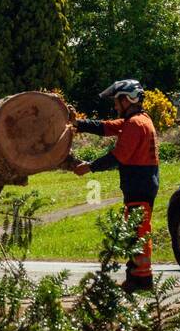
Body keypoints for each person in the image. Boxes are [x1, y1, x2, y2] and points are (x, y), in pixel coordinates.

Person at [68, 80, 160, 293]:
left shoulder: (136, 124)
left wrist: (89, 167)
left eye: (118, 101)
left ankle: (142, 280)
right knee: (136, 230)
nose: (115, 106)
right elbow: (107, 127)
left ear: (128, 99)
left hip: (139, 184)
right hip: (142, 183)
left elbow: (118, 156)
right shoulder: (139, 120)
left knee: (138, 232)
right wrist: (79, 123)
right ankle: (137, 277)